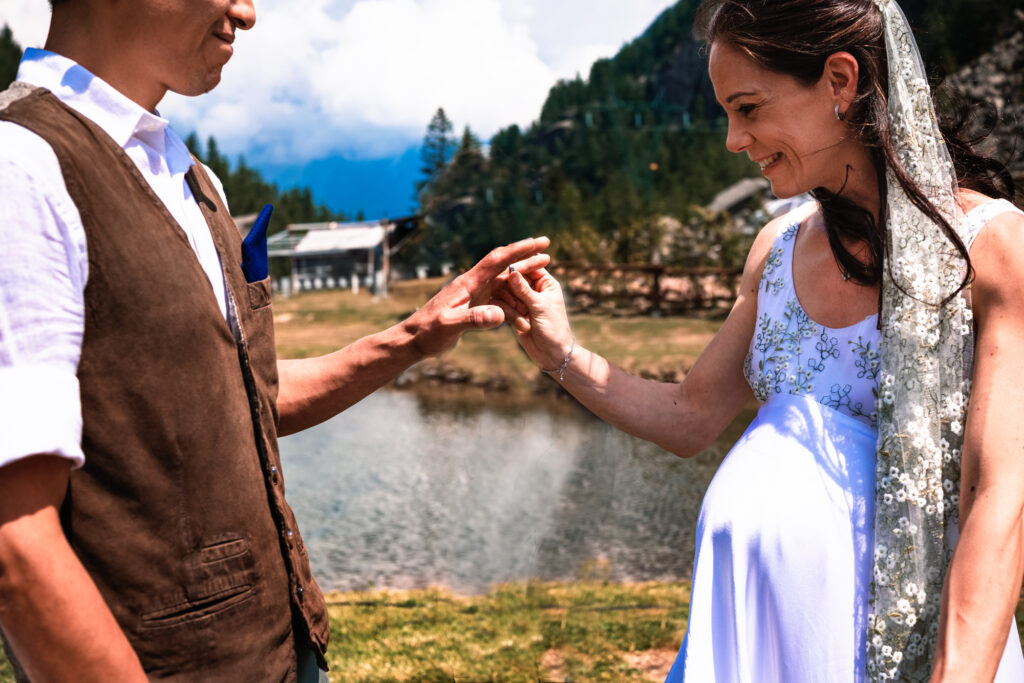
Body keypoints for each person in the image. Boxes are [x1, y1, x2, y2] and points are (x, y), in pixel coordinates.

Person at [0, 0, 547, 680]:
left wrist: (413, 335)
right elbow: (14, 543)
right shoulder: (19, 168)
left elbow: (249, 398)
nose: (247, 12)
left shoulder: (194, 181)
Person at [498, 0, 1024, 680]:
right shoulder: (774, 251)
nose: (732, 139)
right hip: (752, 645)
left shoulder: (992, 248)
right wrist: (557, 351)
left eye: (747, 108)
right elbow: (690, 417)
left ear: (840, 81)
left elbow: (999, 497)